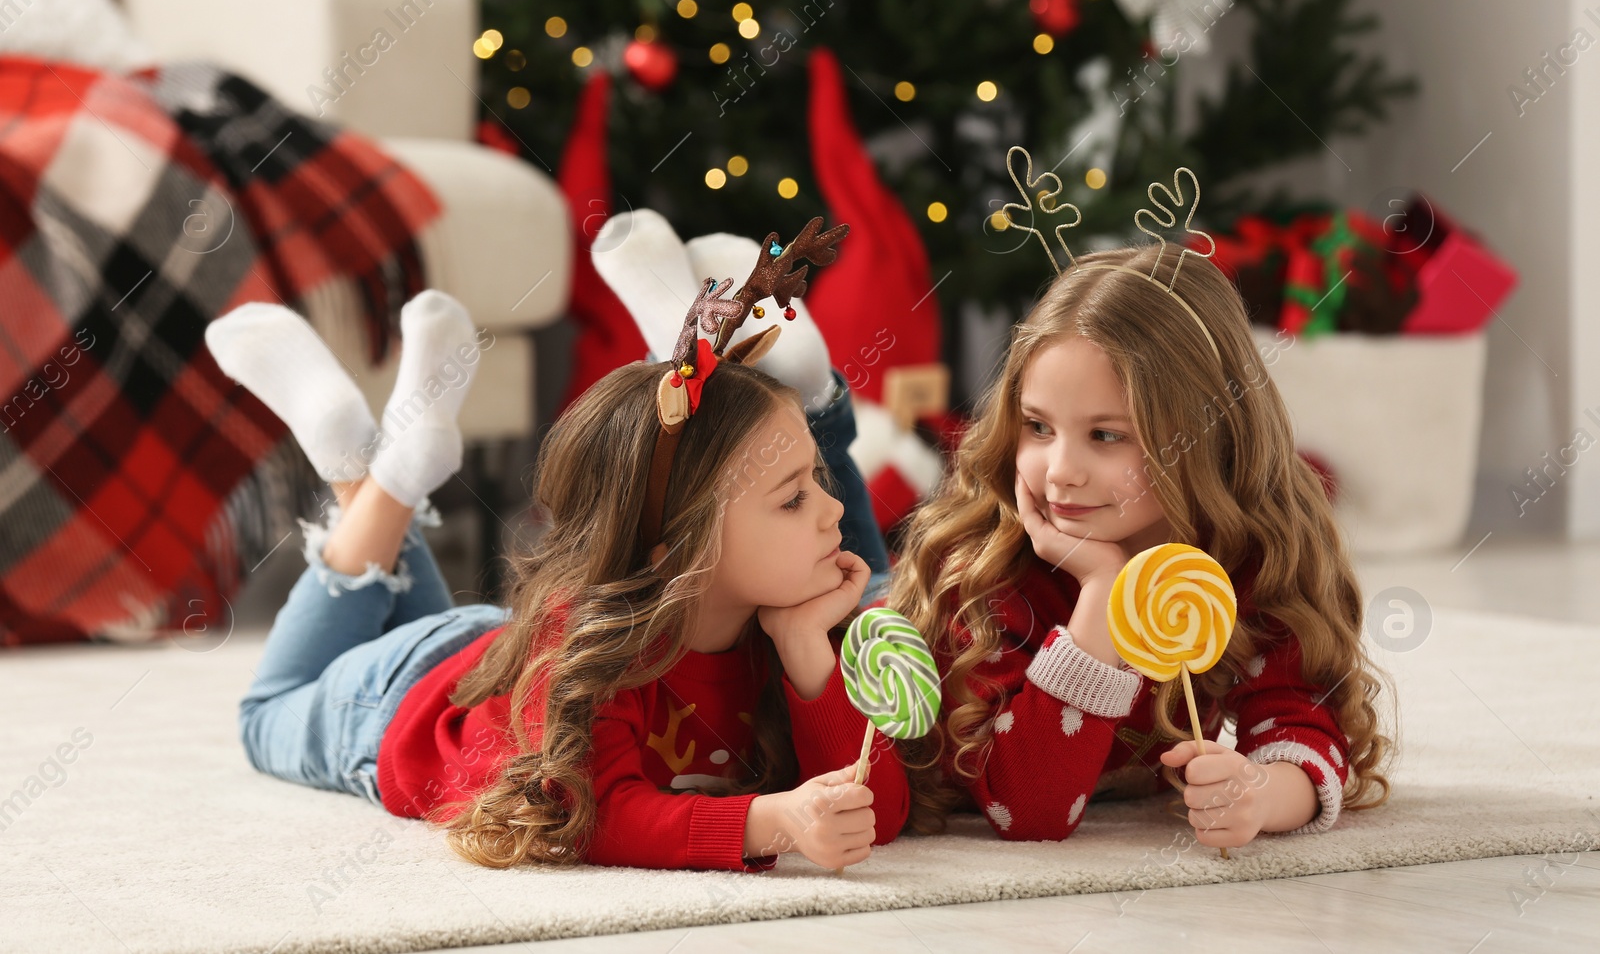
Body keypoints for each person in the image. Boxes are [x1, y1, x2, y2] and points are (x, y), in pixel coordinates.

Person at [211, 268, 907, 871]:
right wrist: (771, 821)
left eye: (815, 479)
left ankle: (376, 463)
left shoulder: (779, 616)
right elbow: (590, 812)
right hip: (392, 704)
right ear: (676, 546)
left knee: (453, 634)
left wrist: (803, 644)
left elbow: (878, 810)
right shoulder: (598, 644)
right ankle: (370, 472)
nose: (835, 505)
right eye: (792, 496)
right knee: (267, 711)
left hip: (501, 662)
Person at [888, 242, 1393, 848]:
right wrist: (1101, 591)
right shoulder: (984, 568)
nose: (1060, 472)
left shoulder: (1244, 551)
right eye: (1039, 426)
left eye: (1106, 435)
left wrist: (1261, 793)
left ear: (1206, 435)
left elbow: (1302, 717)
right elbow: (1030, 809)